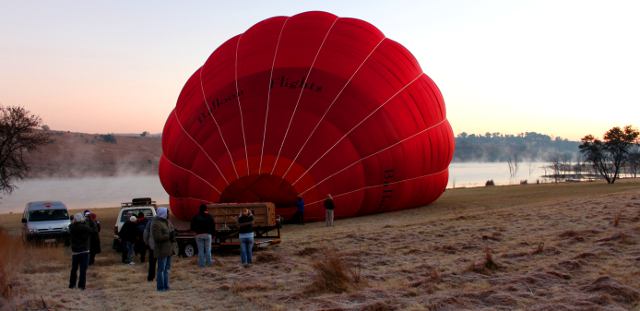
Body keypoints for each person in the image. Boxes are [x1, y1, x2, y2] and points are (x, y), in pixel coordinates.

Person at [68, 213, 94, 290]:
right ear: (81, 219)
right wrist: (88, 221)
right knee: (83, 270)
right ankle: (81, 286)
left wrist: (74, 221)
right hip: (84, 251)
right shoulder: (85, 227)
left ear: (75, 220)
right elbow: (93, 230)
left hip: (75, 251)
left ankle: (72, 285)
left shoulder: (72, 227)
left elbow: (70, 226)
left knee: (74, 269)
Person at [152, 207, 175, 291]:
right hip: (161, 250)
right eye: (167, 212)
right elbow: (157, 237)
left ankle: (166, 286)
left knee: (166, 269)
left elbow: (169, 232)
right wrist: (168, 235)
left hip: (168, 249)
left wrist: (173, 235)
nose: (168, 214)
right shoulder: (156, 224)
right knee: (161, 269)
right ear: (163, 213)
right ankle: (160, 287)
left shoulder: (166, 222)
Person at [143, 215, 157, 282]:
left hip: (152, 245)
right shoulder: (163, 220)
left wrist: (146, 242)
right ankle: (160, 277)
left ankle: (151, 277)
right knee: (161, 263)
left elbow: (146, 232)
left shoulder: (150, 221)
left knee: (152, 263)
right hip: (160, 246)